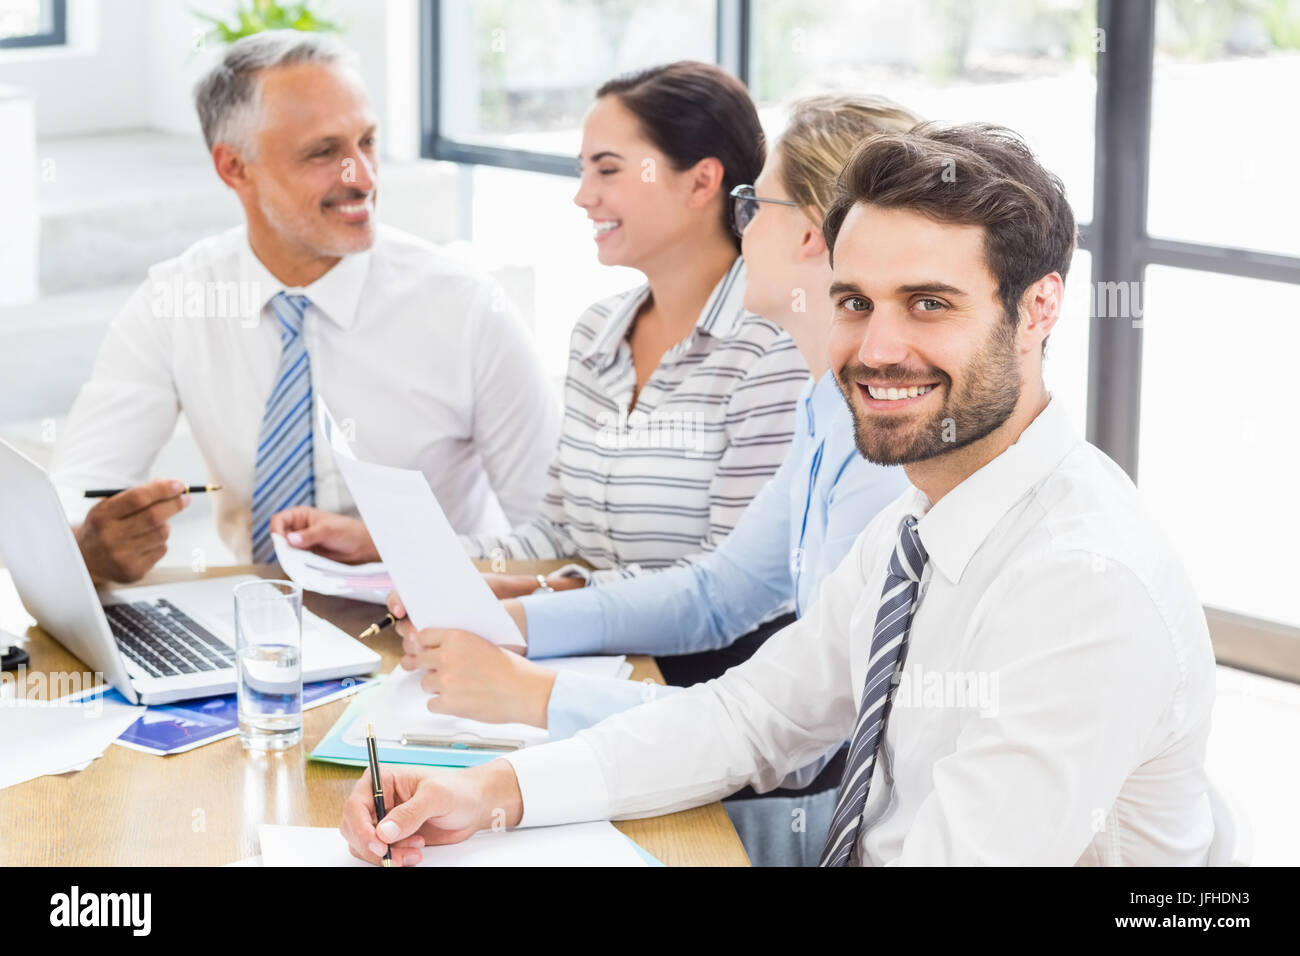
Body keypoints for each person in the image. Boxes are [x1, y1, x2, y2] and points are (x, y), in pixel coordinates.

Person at [340, 123, 1217, 867]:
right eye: (854, 301)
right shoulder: (922, 521)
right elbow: (755, 715)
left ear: (1037, 311)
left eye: (928, 303)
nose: (877, 348)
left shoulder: (1081, 587)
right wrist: (492, 792)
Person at [381, 94, 920, 866]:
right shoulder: (827, 404)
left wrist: (531, 693)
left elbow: (801, 736)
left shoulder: (883, 442)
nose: (742, 227)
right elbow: (720, 589)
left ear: (808, 233)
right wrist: (522, 624)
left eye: (751, 203)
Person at [280, 61, 811, 598]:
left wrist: (549, 601)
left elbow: (731, 588)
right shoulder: (598, 333)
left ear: (701, 181)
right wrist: (395, 544)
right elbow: (556, 537)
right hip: (588, 648)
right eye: (583, 170)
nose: (583, 195)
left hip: (701, 673)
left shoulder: (771, 349)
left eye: (607, 170)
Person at [50, 30, 560, 583]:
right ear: (234, 168)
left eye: (367, 141)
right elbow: (77, 489)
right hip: (260, 627)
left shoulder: (468, 308)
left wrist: (406, 549)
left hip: (440, 628)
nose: (362, 177)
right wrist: (87, 543)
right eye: (324, 152)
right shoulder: (177, 301)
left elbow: (561, 546)